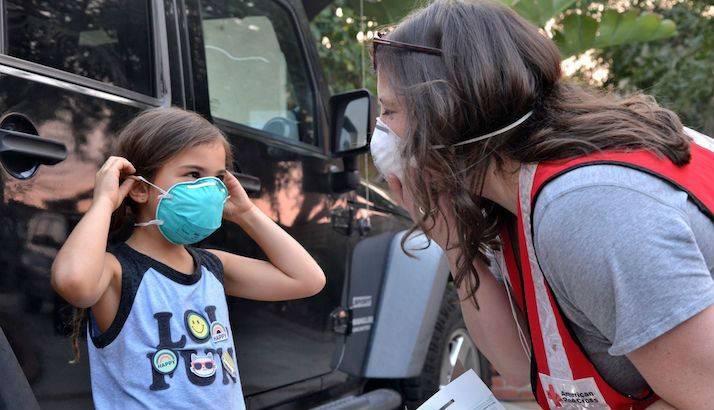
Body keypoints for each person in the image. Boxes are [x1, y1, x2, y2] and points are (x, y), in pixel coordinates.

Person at [369, 1, 714, 409]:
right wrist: (453, 240)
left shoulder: (584, 209)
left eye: (390, 110)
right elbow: (524, 366)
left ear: (448, 114)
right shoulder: (509, 202)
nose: (380, 130)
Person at [51, 107, 326, 409]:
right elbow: (73, 281)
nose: (209, 190)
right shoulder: (118, 272)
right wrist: (104, 201)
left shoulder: (212, 267)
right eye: (194, 174)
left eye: (217, 178)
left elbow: (307, 279)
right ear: (141, 189)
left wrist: (247, 214)